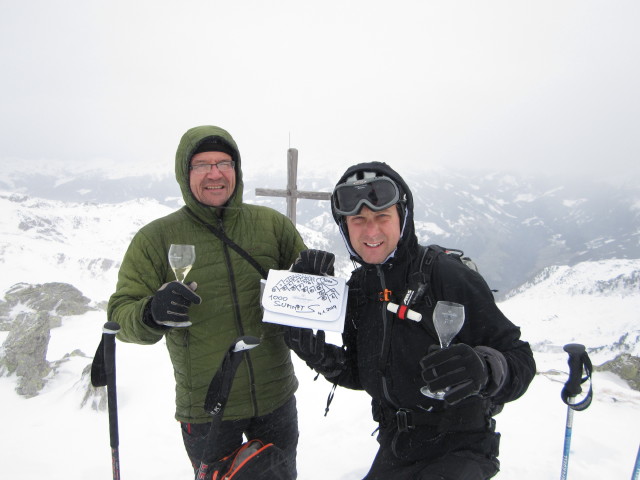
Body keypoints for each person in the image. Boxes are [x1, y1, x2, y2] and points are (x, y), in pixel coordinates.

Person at [285, 162, 536, 479]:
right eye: (358, 220)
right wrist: (315, 353)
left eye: (382, 217)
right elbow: (363, 374)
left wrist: (485, 369)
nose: (371, 231)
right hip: (397, 445)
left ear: (402, 219)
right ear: (345, 227)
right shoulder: (361, 288)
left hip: (460, 446)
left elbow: (520, 358)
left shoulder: (445, 276)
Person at [108, 125, 306, 477]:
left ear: (236, 170)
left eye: (224, 163)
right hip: (206, 410)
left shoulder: (272, 226)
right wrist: (151, 313)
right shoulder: (156, 238)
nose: (214, 173)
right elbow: (119, 315)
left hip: (275, 398)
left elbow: (309, 295)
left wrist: (315, 277)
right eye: (201, 164)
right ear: (185, 174)